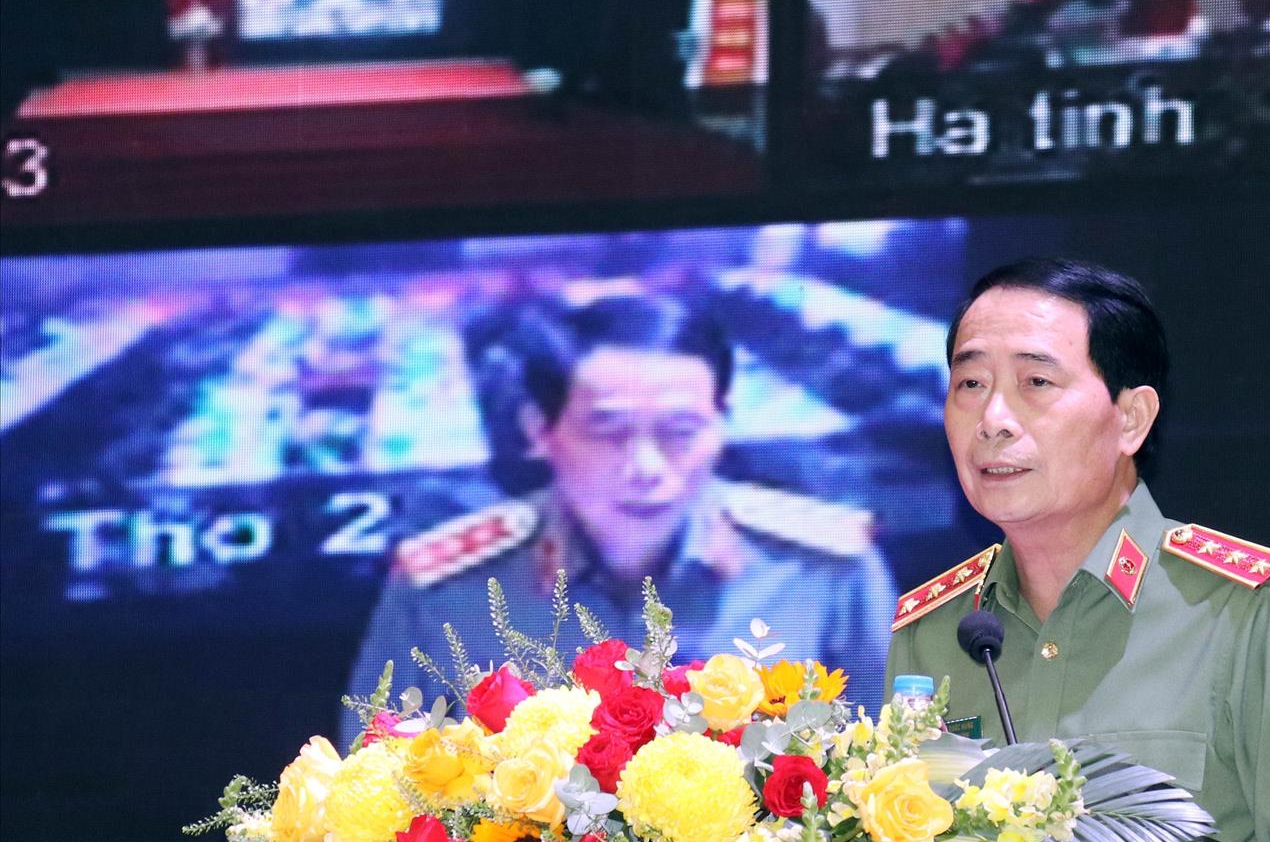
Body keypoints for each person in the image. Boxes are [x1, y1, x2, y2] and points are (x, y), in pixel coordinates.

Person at [885, 257, 1270, 842]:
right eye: (970, 384)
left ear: (1131, 419)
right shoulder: (932, 633)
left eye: (1036, 383)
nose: (994, 419)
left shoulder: (1248, 613)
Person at [344, 295, 897, 743]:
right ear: (540, 430)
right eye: (608, 433)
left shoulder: (825, 568)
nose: (646, 468)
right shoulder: (444, 589)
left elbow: (901, 769)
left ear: (722, 425)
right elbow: (369, 802)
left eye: (680, 432)